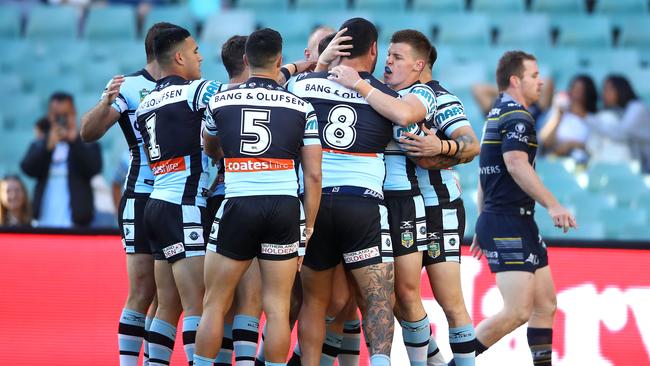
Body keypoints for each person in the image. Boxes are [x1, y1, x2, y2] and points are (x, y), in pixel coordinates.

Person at [289, 17, 431, 366]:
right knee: (378, 298)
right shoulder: (388, 96)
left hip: (314, 204)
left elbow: (271, 86)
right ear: (373, 50)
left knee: (317, 302)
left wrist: (320, 65)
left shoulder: (302, 86)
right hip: (363, 204)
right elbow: (405, 120)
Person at [193, 28, 323, 366]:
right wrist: (307, 227)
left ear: (246, 60)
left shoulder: (220, 99)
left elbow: (210, 146)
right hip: (283, 207)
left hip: (238, 201)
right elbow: (313, 175)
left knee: (215, 303)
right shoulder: (301, 106)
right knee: (277, 308)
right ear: (279, 59)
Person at [471, 51, 577, 365]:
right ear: (516, 80)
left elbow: (484, 174)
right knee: (516, 311)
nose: (540, 80)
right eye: (534, 75)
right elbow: (516, 164)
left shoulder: (497, 112)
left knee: (546, 305)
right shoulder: (517, 115)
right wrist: (554, 205)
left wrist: (481, 221)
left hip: (514, 221)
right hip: (507, 224)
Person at [79, 22, 177, 366]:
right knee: (142, 291)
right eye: (191, 49)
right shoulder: (130, 86)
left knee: (169, 294)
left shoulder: (190, 86)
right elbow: (88, 132)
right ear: (171, 51)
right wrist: (104, 102)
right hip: (141, 194)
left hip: (178, 198)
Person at [135, 25, 222, 365]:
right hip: (184, 206)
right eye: (196, 50)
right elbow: (236, 102)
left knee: (167, 305)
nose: (201, 57)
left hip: (156, 205)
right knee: (196, 305)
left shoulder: (145, 104)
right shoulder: (198, 91)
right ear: (180, 57)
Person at [395, 44, 482, 366]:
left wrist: (440, 145)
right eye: (387, 55)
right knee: (395, 295)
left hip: (437, 205)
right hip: (400, 206)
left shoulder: (440, 98)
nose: (387, 63)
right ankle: (434, 360)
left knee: (450, 300)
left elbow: (471, 145)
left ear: (419, 65)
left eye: (396, 57)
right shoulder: (392, 100)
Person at [20, 92, 102, 228]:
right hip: (43, 224)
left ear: (74, 113)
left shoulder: (86, 143)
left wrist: (74, 141)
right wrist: (47, 147)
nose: (61, 120)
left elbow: (94, 168)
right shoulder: (41, 143)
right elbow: (27, 169)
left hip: (76, 227)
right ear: (49, 116)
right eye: (57, 116)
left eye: (66, 115)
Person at [587, 74, 650, 173]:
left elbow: (620, 133)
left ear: (621, 90)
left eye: (608, 89)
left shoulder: (637, 108)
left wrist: (584, 116)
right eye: (603, 90)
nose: (603, 94)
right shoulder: (615, 112)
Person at [539, 75, 598, 163]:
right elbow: (544, 141)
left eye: (581, 91)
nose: (576, 94)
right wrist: (558, 117)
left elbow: (595, 147)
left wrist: (571, 145)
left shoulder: (594, 118)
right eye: (574, 89)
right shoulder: (559, 113)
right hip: (555, 162)